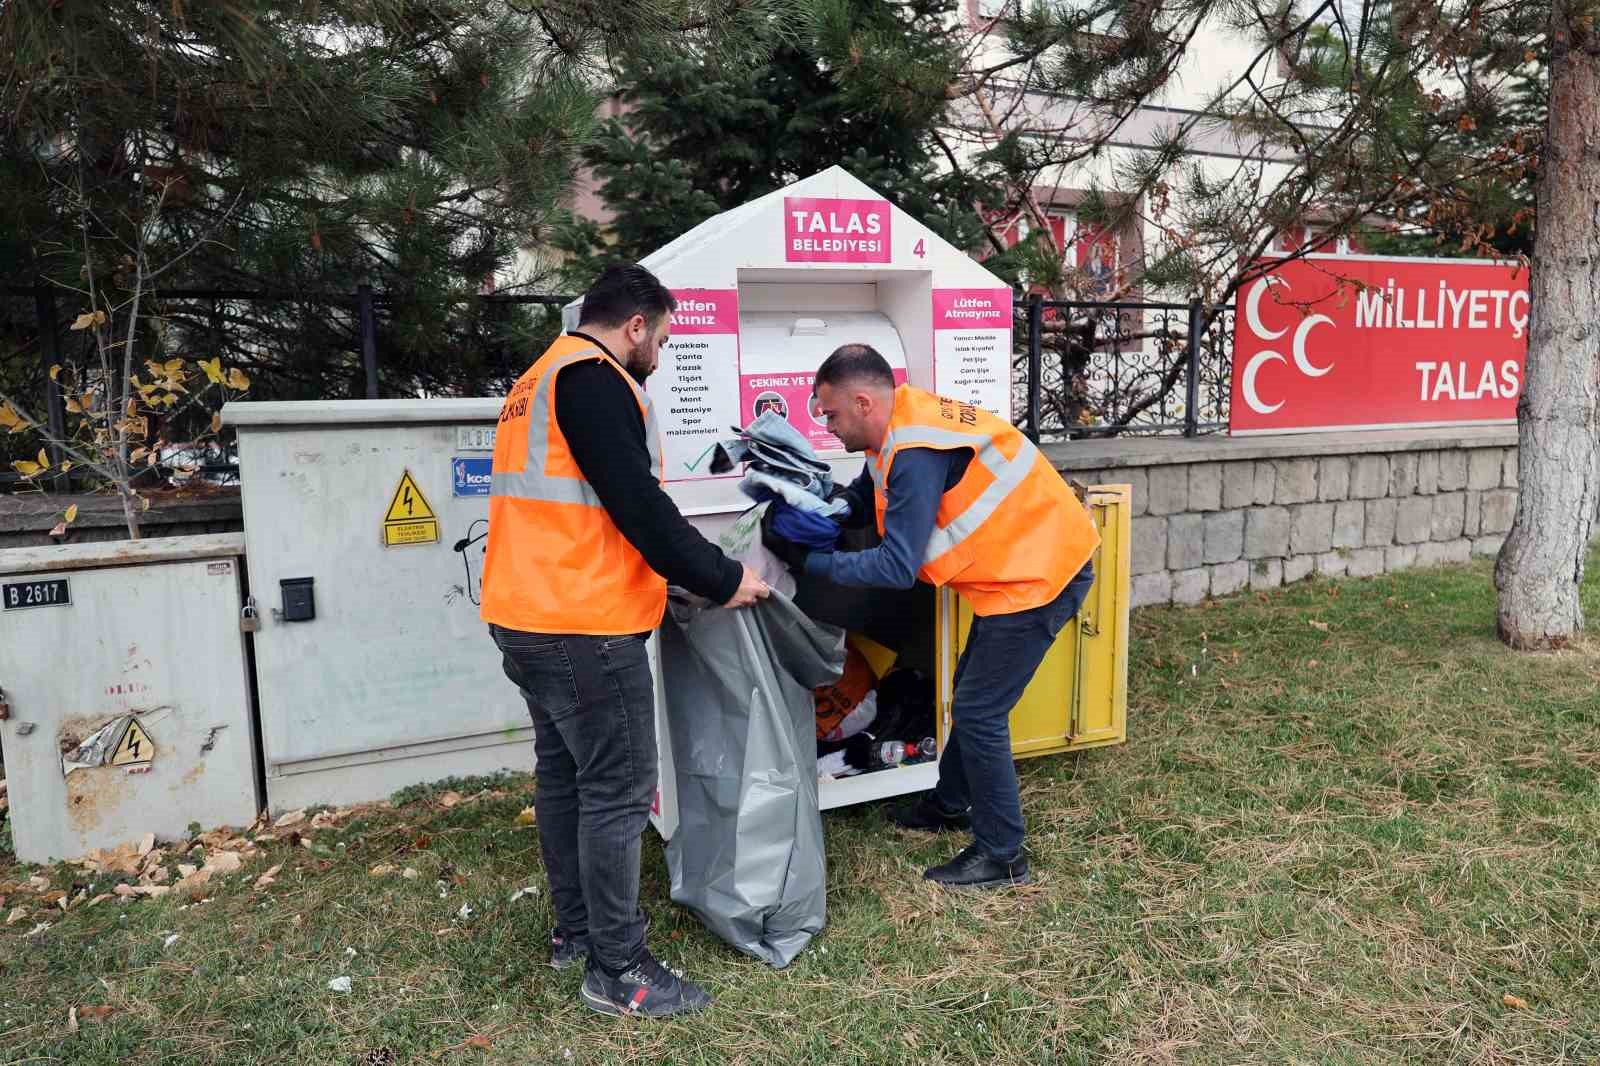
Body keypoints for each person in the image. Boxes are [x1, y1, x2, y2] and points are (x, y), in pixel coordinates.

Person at [480, 263, 769, 1017]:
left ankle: (576, 932)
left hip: (528, 613)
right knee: (617, 791)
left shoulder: (536, 380)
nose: (662, 354)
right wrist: (718, 575)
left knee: (566, 779)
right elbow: (638, 505)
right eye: (663, 339)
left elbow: (582, 512)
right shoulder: (594, 377)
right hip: (583, 627)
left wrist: (664, 576)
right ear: (635, 325)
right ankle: (619, 969)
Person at [763, 344, 1099, 890]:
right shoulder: (900, 422)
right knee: (972, 692)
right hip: (1017, 571)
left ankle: (1002, 854)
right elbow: (869, 488)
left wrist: (811, 562)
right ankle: (951, 803)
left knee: (980, 709)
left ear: (864, 401)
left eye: (830, 414)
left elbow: (898, 566)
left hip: (1043, 574)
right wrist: (829, 506)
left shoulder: (915, 451)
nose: (827, 426)